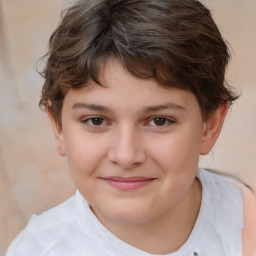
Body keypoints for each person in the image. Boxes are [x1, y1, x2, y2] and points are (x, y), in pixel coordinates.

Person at [5, 0, 256, 255]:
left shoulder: (246, 224)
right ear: (58, 127)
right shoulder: (37, 250)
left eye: (159, 121)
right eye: (96, 121)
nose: (126, 156)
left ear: (209, 126)